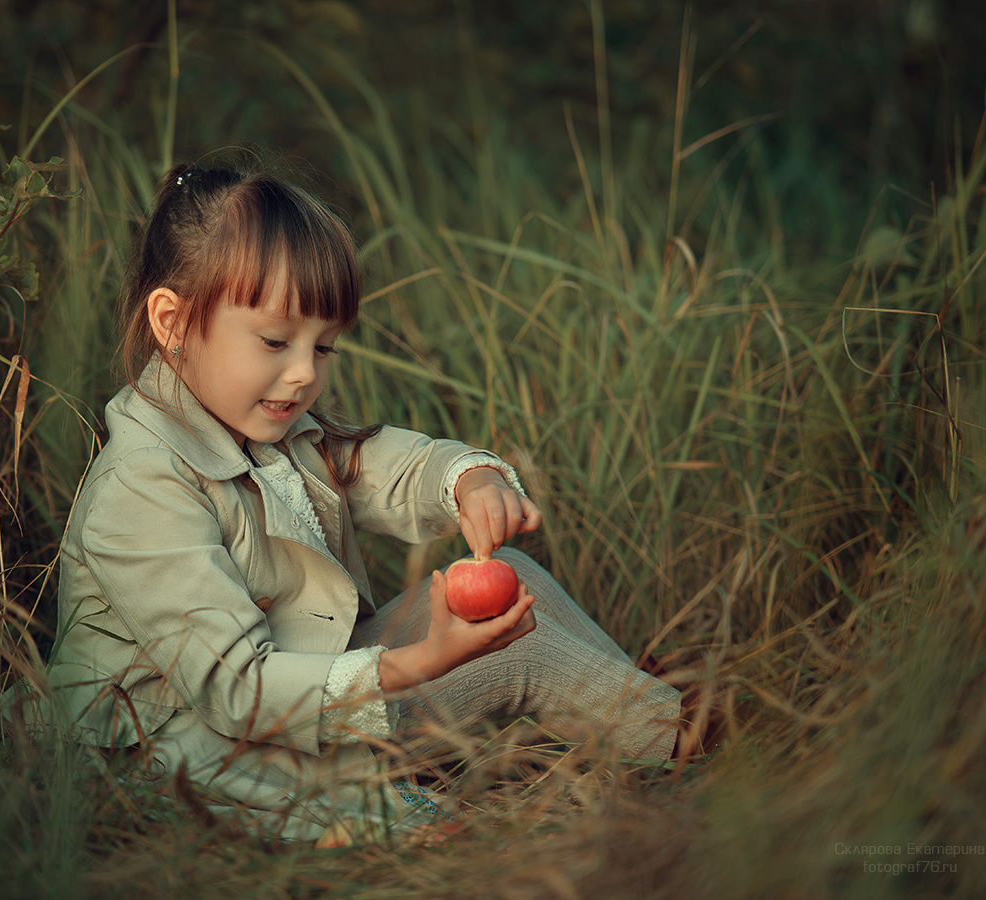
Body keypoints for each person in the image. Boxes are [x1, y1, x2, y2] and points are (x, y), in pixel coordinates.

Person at [46, 161, 682, 843]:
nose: (303, 374)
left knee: (516, 581)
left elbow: (394, 465)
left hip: (303, 699)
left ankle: (663, 735)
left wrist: (470, 482)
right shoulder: (142, 486)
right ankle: (694, 745)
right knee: (515, 659)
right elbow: (237, 691)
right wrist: (417, 664)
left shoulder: (272, 426)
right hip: (200, 752)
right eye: (274, 341)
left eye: (323, 347)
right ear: (173, 321)